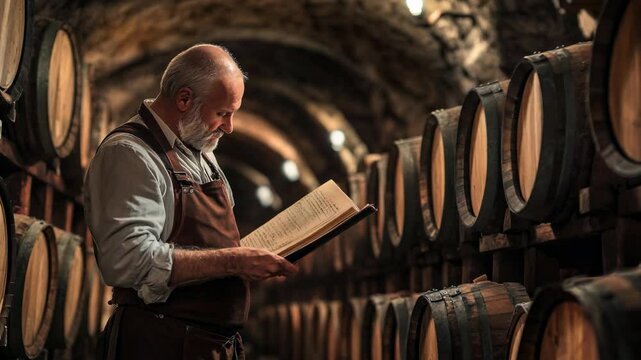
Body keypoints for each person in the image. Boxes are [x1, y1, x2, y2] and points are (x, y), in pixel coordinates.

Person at [84, 44, 297, 360]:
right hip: (161, 343)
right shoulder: (130, 153)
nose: (229, 127)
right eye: (223, 113)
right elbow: (128, 260)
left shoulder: (200, 153)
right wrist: (234, 261)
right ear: (184, 99)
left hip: (203, 346)